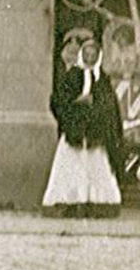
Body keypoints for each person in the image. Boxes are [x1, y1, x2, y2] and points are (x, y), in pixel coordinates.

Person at [42, 15, 126, 218]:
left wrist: (97, 107)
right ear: (82, 54)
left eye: (93, 53)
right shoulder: (72, 77)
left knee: (96, 168)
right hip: (75, 133)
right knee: (71, 167)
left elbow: (109, 106)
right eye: (86, 53)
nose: (89, 57)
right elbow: (58, 101)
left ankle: (97, 204)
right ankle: (69, 203)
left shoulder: (102, 79)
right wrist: (78, 102)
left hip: (96, 134)